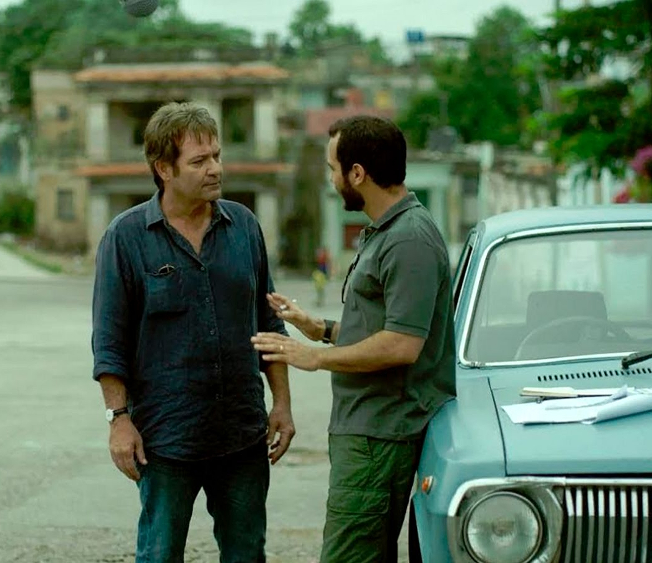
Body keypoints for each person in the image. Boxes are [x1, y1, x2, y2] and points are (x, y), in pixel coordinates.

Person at [91, 102, 295, 563]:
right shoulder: (126, 237)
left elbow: (269, 324)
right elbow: (109, 341)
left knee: (246, 554)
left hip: (242, 436)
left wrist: (281, 403)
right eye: (199, 161)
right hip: (166, 441)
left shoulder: (244, 227)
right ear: (164, 169)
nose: (215, 169)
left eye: (217, 156)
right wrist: (118, 420)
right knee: (160, 555)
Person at [251, 115, 457, 563]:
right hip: (367, 430)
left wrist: (314, 357)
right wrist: (321, 329)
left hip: (380, 433)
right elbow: (382, 327)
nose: (331, 179)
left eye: (333, 169)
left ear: (357, 173)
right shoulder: (388, 232)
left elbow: (403, 344)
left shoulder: (408, 240)